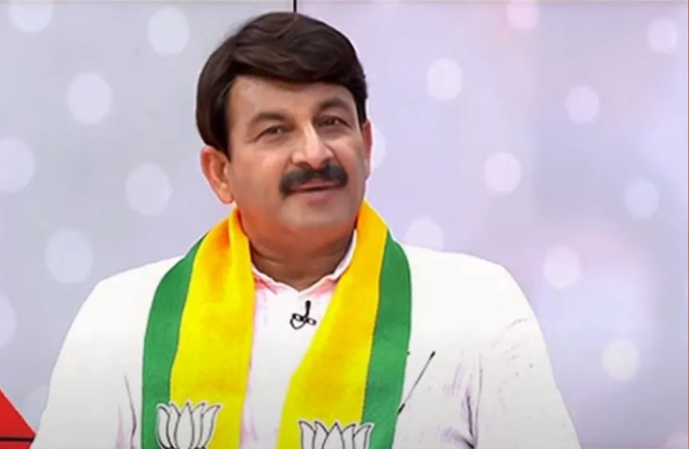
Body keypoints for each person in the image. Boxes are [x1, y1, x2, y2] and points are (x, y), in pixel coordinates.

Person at [31, 11, 581, 449]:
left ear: (366, 144)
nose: (315, 153)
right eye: (275, 131)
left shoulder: (476, 307)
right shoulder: (125, 317)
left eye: (332, 122)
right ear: (220, 173)